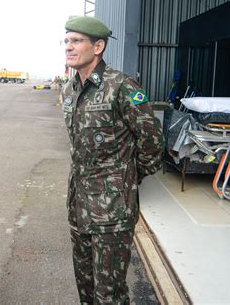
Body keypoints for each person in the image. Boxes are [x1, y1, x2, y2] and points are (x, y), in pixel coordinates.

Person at [61, 16, 164, 304]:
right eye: (66, 41)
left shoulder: (122, 86)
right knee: (86, 288)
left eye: (76, 41)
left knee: (110, 294)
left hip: (113, 214)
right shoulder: (70, 90)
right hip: (79, 206)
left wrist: (126, 180)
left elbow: (153, 141)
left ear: (98, 47)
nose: (68, 47)